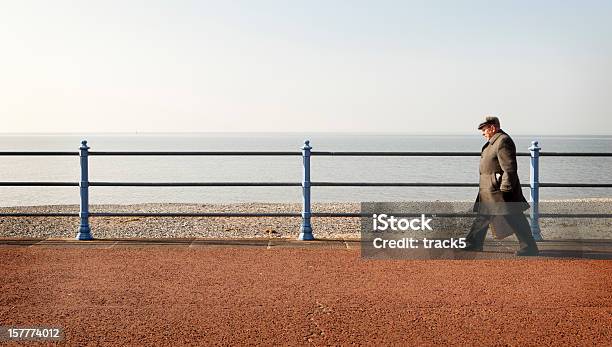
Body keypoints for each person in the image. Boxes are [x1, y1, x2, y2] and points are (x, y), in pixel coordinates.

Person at [463, 116, 539, 256]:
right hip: (490, 189)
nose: (483, 133)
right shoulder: (495, 141)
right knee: (483, 217)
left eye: (484, 129)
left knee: (515, 217)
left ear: (492, 128)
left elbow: (509, 168)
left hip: (500, 191)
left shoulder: (503, 141)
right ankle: (473, 243)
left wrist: (505, 189)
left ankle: (529, 247)